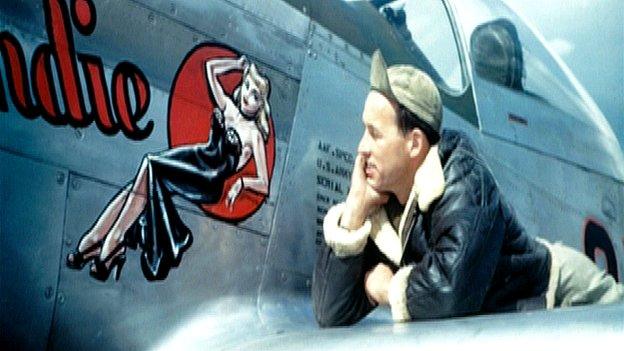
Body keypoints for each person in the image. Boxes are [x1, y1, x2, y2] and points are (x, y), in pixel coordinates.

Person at [312, 50, 623, 327]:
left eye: (374, 134)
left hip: (558, 291)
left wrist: (386, 288)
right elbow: (331, 313)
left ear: (414, 143)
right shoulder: (384, 201)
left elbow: (451, 291)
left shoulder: (463, 180)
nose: (361, 148)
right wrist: (355, 208)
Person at [66, 55, 271, 281]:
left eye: (255, 95)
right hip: (197, 157)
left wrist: (242, 183)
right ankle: (98, 238)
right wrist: (236, 64)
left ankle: (113, 239)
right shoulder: (229, 108)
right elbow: (209, 68)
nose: (247, 96)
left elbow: (263, 183)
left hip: (209, 178)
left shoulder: (254, 135)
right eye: (248, 86)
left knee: (151, 165)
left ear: (261, 104)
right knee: (141, 182)